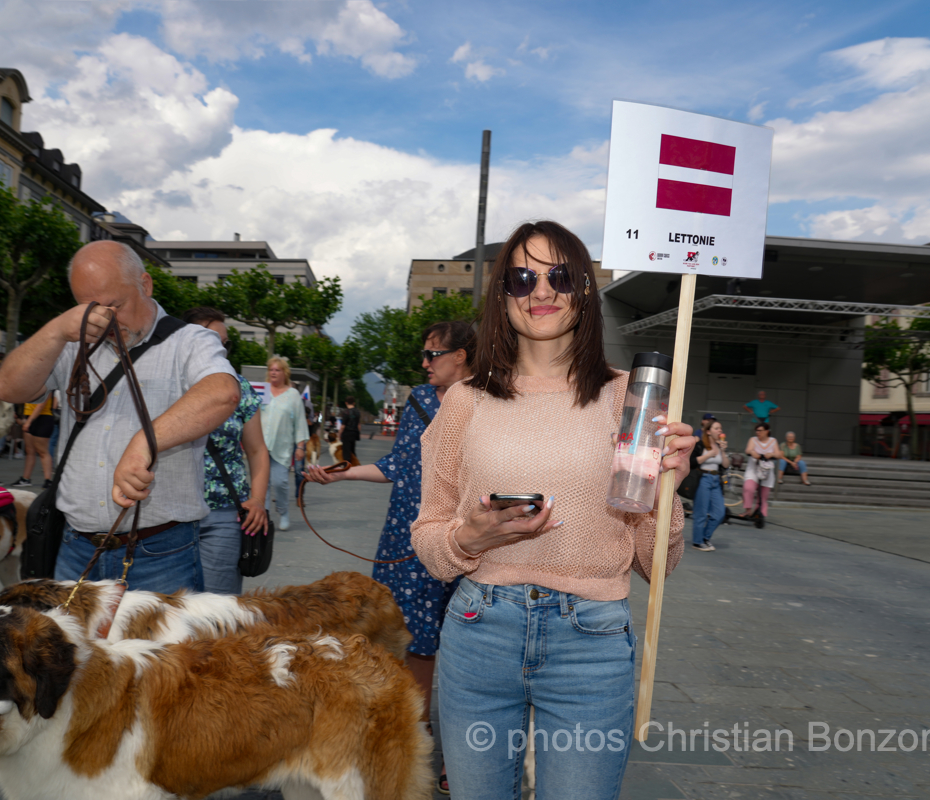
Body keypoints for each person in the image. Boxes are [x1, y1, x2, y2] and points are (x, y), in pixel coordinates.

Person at [410, 221, 696, 799]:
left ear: (584, 290)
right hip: (479, 631)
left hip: (591, 641)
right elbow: (430, 543)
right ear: (502, 296)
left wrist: (667, 489)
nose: (541, 291)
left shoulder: (631, 398)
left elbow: (656, 565)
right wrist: (470, 538)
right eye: (522, 278)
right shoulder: (464, 400)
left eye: (559, 276)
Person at [0, 241, 239, 594]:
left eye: (115, 306)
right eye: (89, 308)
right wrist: (56, 330)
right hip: (75, 547)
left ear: (145, 284)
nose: (104, 319)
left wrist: (144, 442)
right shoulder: (72, 343)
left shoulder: (190, 341)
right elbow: (8, 388)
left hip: (160, 553)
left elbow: (222, 392)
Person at [307, 319, 477, 795]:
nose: (424, 363)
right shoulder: (420, 400)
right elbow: (396, 466)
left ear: (461, 355)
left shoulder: (490, 399)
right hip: (407, 537)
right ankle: (416, 735)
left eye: (432, 354)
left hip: (468, 538)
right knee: (412, 639)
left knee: (468, 645)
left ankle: (465, 752)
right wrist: (341, 475)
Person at [182, 306, 270, 595]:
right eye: (212, 341)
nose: (221, 350)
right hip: (170, 515)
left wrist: (257, 500)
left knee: (218, 609)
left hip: (224, 514)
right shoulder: (168, 384)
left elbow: (257, 450)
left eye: (226, 344)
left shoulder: (239, 387)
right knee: (169, 608)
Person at [260, 356, 308, 532]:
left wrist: (300, 446)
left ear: (284, 373)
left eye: (277, 370)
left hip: (282, 446)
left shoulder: (293, 395)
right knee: (261, 484)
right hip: (260, 446)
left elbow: (300, 422)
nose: (273, 372)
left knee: (280, 482)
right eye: (271, 369)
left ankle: (283, 511)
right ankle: (263, 516)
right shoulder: (262, 391)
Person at [690, 421, 730, 552]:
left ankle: (705, 537)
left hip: (716, 479)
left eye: (720, 428)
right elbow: (692, 461)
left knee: (719, 513)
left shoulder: (719, 446)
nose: (720, 431)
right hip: (703, 478)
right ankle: (697, 542)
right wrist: (708, 454)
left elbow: (725, 465)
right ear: (708, 431)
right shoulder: (701, 445)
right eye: (716, 428)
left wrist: (722, 451)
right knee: (701, 512)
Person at [741, 422, 783, 526]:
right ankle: (748, 510)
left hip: (766, 472)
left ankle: (760, 514)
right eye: (757, 430)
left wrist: (771, 454)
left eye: (760, 430)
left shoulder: (773, 441)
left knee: (763, 496)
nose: (758, 432)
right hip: (753, 470)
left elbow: (778, 454)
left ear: (766, 431)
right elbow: (748, 450)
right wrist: (752, 452)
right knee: (748, 488)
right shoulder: (753, 440)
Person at [11, 394, 55, 489]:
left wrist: (28, 421)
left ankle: (48, 480)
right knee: (29, 451)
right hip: (29, 416)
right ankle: (25, 478)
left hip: (43, 418)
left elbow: (40, 405)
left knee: (43, 452)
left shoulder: (47, 386)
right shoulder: (32, 386)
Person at [337, 396, 361, 465]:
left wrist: (339, 434)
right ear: (354, 403)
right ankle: (355, 465)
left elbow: (343, 426)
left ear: (346, 403)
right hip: (354, 433)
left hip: (346, 433)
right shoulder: (357, 412)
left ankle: (347, 466)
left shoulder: (346, 412)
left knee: (346, 452)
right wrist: (358, 433)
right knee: (352, 451)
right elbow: (359, 425)